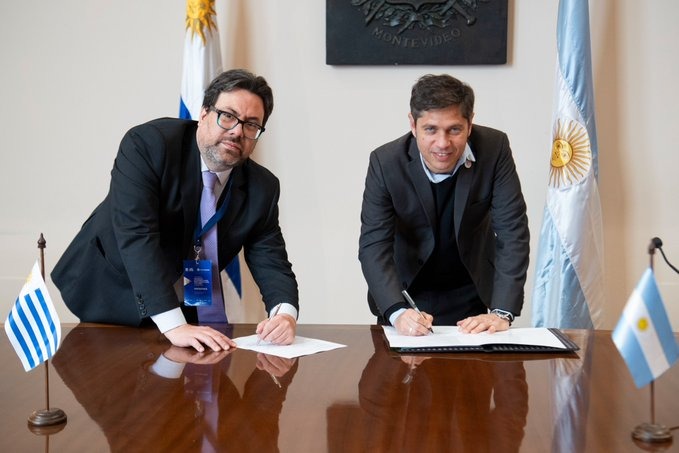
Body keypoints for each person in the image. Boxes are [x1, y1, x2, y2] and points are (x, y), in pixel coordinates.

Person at [52, 69, 298, 351]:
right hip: (111, 294)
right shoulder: (148, 145)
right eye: (228, 116)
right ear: (203, 113)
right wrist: (173, 324)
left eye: (252, 124)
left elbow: (271, 260)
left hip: (187, 309)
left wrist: (285, 316)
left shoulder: (262, 187)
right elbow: (136, 234)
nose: (237, 131)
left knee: (183, 387)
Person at [358, 74, 529, 335]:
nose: (443, 143)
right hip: (406, 297)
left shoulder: (495, 150)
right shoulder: (386, 163)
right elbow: (374, 245)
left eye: (454, 129)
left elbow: (512, 233)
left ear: (470, 124)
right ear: (413, 125)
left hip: (473, 297)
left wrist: (502, 312)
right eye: (430, 130)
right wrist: (396, 312)